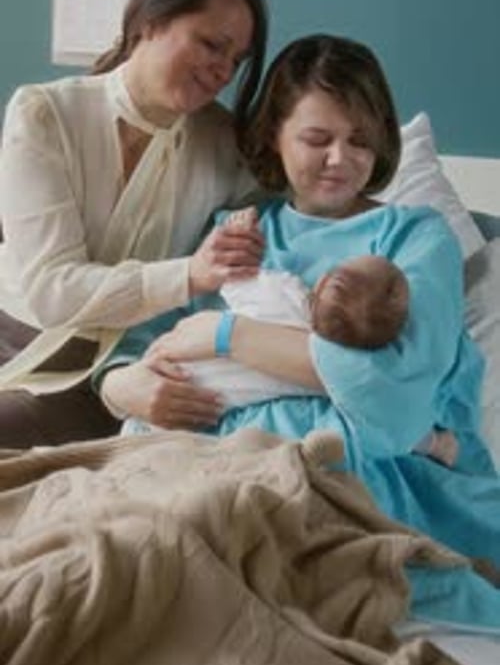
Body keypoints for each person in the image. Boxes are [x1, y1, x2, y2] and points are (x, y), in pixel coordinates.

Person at [97, 33, 500, 629]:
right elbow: (141, 342)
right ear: (273, 136)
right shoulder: (235, 231)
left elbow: (394, 400)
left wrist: (225, 336)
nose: (341, 158)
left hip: (369, 472)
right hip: (215, 456)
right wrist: (121, 385)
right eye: (318, 139)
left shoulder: (414, 237)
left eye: (360, 140)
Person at [0, 0, 269, 447]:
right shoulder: (45, 114)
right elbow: (51, 290)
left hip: (115, 362)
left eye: (235, 61)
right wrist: (187, 275)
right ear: (150, 21)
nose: (222, 71)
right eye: (212, 45)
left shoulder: (225, 144)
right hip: (16, 332)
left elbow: (294, 220)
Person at [121, 204, 458, 465]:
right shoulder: (332, 380)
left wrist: (236, 234)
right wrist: (436, 444)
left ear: (324, 280)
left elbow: (235, 277)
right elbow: (395, 421)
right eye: (316, 139)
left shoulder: (284, 293)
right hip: (176, 400)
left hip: (172, 397)